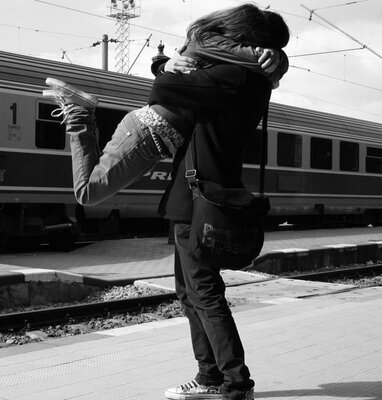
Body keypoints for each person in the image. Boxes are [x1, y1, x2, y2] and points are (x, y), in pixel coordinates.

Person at [156, 6, 290, 400]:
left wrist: (174, 65)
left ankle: (235, 384)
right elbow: (179, 81)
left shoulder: (234, 75)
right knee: (190, 293)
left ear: (238, 38)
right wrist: (172, 63)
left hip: (201, 199)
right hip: (197, 196)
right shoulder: (247, 76)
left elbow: (165, 89)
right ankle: (209, 376)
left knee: (205, 293)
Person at [42, 13, 288, 206]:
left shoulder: (214, 47)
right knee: (87, 193)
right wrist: (275, 57)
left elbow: (270, 74)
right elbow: (265, 69)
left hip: (149, 135)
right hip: (148, 133)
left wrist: (278, 58)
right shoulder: (212, 44)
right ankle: (78, 114)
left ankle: (81, 115)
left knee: (91, 189)